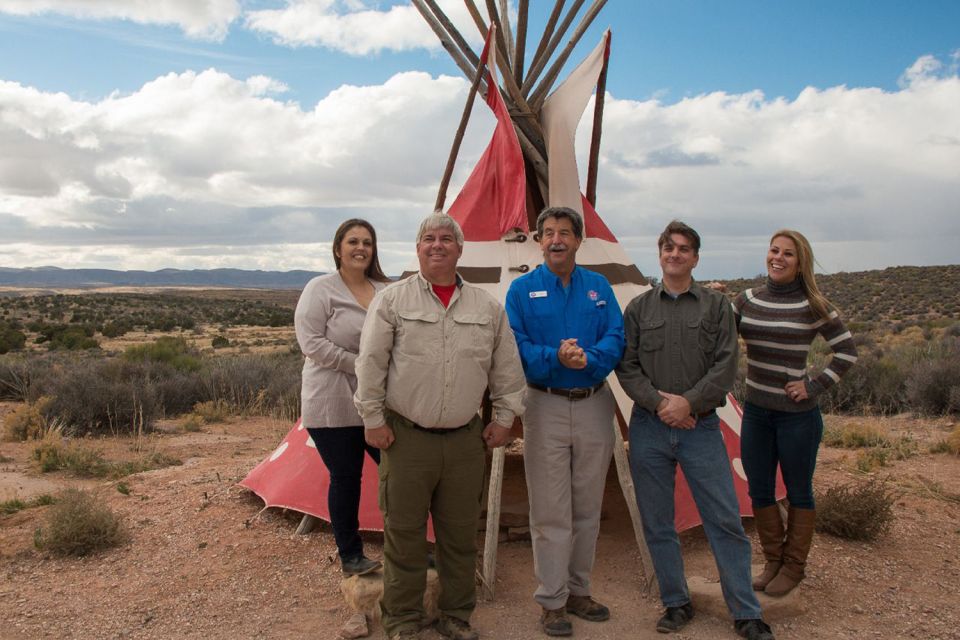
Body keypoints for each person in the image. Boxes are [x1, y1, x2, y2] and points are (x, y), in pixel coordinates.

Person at [354, 213, 526, 640]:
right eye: (428, 238)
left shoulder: (486, 307)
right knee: (404, 535)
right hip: (406, 437)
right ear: (417, 248)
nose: (437, 245)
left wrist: (505, 418)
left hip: (465, 440)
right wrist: (372, 420)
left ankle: (456, 616)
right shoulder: (393, 301)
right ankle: (403, 620)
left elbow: (506, 368)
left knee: (459, 536)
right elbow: (370, 363)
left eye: (446, 239)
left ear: (459, 248)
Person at [616, 221, 774, 640]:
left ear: (695, 257)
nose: (675, 254)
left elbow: (725, 367)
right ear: (660, 253)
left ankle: (745, 611)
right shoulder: (639, 310)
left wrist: (689, 403)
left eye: (684, 248)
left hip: (701, 428)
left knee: (723, 519)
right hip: (650, 427)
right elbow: (626, 367)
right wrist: (663, 404)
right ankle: (676, 602)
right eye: (669, 247)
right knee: (657, 521)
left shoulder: (716, 308)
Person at [504, 206, 624, 637]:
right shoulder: (521, 290)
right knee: (551, 509)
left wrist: (587, 358)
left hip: (594, 403)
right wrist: (555, 356)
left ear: (578, 240)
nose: (557, 239)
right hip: (545, 404)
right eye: (549, 232)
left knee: (587, 506)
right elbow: (515, 345)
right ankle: (551, 600)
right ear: (538, 240)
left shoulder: (599, 287)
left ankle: (579, 591)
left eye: (566, 233)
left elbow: (616, 336)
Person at [734, 229, 857, 597]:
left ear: (800, 261)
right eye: (774, 250)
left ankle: (794, 567)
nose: (779, 258)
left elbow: (847, 353)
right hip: (756, 412)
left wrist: (813, 385)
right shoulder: (747, 300)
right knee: (759, 488)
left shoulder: (814, 305)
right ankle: (773, 560)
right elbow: (717, 334)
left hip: (797, 417)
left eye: (788, 253)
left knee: (799, 491)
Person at [294, 218, 390, 576]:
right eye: (353, 241)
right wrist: (361, 364)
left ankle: (404, 546)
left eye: (367, 242)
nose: (360, 248)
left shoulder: (384, 290)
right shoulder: (320, 289)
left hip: (377, 403)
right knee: (346, 477)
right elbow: (311, 343)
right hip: (331, 401)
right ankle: (350, 556)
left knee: (397, 473)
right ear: (338, 248)